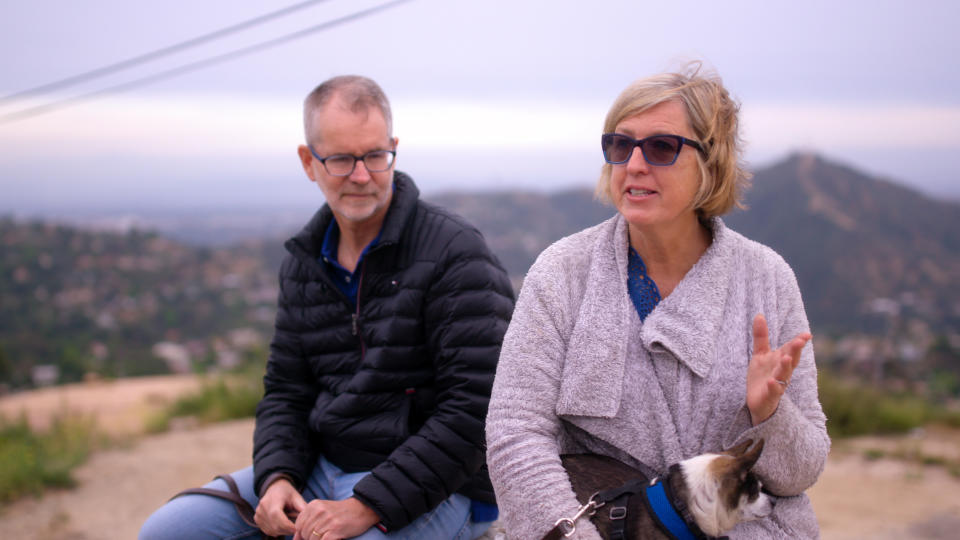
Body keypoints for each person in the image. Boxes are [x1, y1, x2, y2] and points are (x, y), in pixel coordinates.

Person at [140, 75, 515, 540]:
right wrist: (276, 476)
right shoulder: (304, 262)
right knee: (168, 532)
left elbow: (477, 408)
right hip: (321, 467)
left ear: (394, 148)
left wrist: (368, 505)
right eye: (340, 159)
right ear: (308, 161)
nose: (361, 175)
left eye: (375, 156)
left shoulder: (454, 251)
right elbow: (286, 391)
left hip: (435, 482)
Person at [485, 64, 830, 539]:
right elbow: (516, 435)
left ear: (711, 162)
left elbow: (799, 473)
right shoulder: (563, 273)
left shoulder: (767, 279)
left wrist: (770, 415)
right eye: (621, 145)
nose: (635, 164)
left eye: (662, 147)